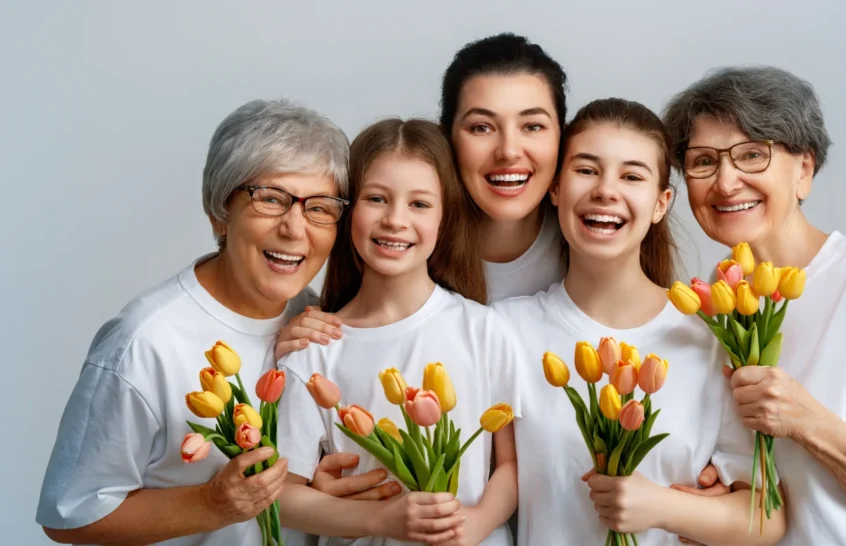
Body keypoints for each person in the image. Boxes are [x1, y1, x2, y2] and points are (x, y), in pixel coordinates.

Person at [662, 65, 846, 545]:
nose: (725, 182)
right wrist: (719, 498)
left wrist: (804, 419)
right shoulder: (707, 303)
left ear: (804, 169)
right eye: (703, 161)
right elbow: (755, 481)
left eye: (752, 156)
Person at [37, 99, 353, 545]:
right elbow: (70, 514)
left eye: (319, 207)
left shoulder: (322, 321)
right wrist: (212, 504)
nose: (295, 228)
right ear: (219, 212)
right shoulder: (145, 342)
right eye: (270, 199)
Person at [493, 97, 786, 545]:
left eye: (631, 176)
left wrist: (662, 508)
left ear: (660, 203)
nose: (606, 191)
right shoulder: (504, 331)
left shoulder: (710, 338)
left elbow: (767, 519)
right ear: (555, 189)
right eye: (587, 170)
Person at [276, 118, 522, 546]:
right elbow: (282, 495)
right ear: (348, 209)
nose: (395, 220)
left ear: (445, 219)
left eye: (420, 204)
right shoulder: (315, 349)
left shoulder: (484, 330)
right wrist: (381, 520)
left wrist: (478, 524)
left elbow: (511, 466)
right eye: (376, 198)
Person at [439, 32, 569, 301]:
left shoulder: (592, 238)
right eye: (481, 127)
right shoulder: (408, 237)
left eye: (532, 126)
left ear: (562, 136)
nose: (508, 151)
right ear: (446, 137)